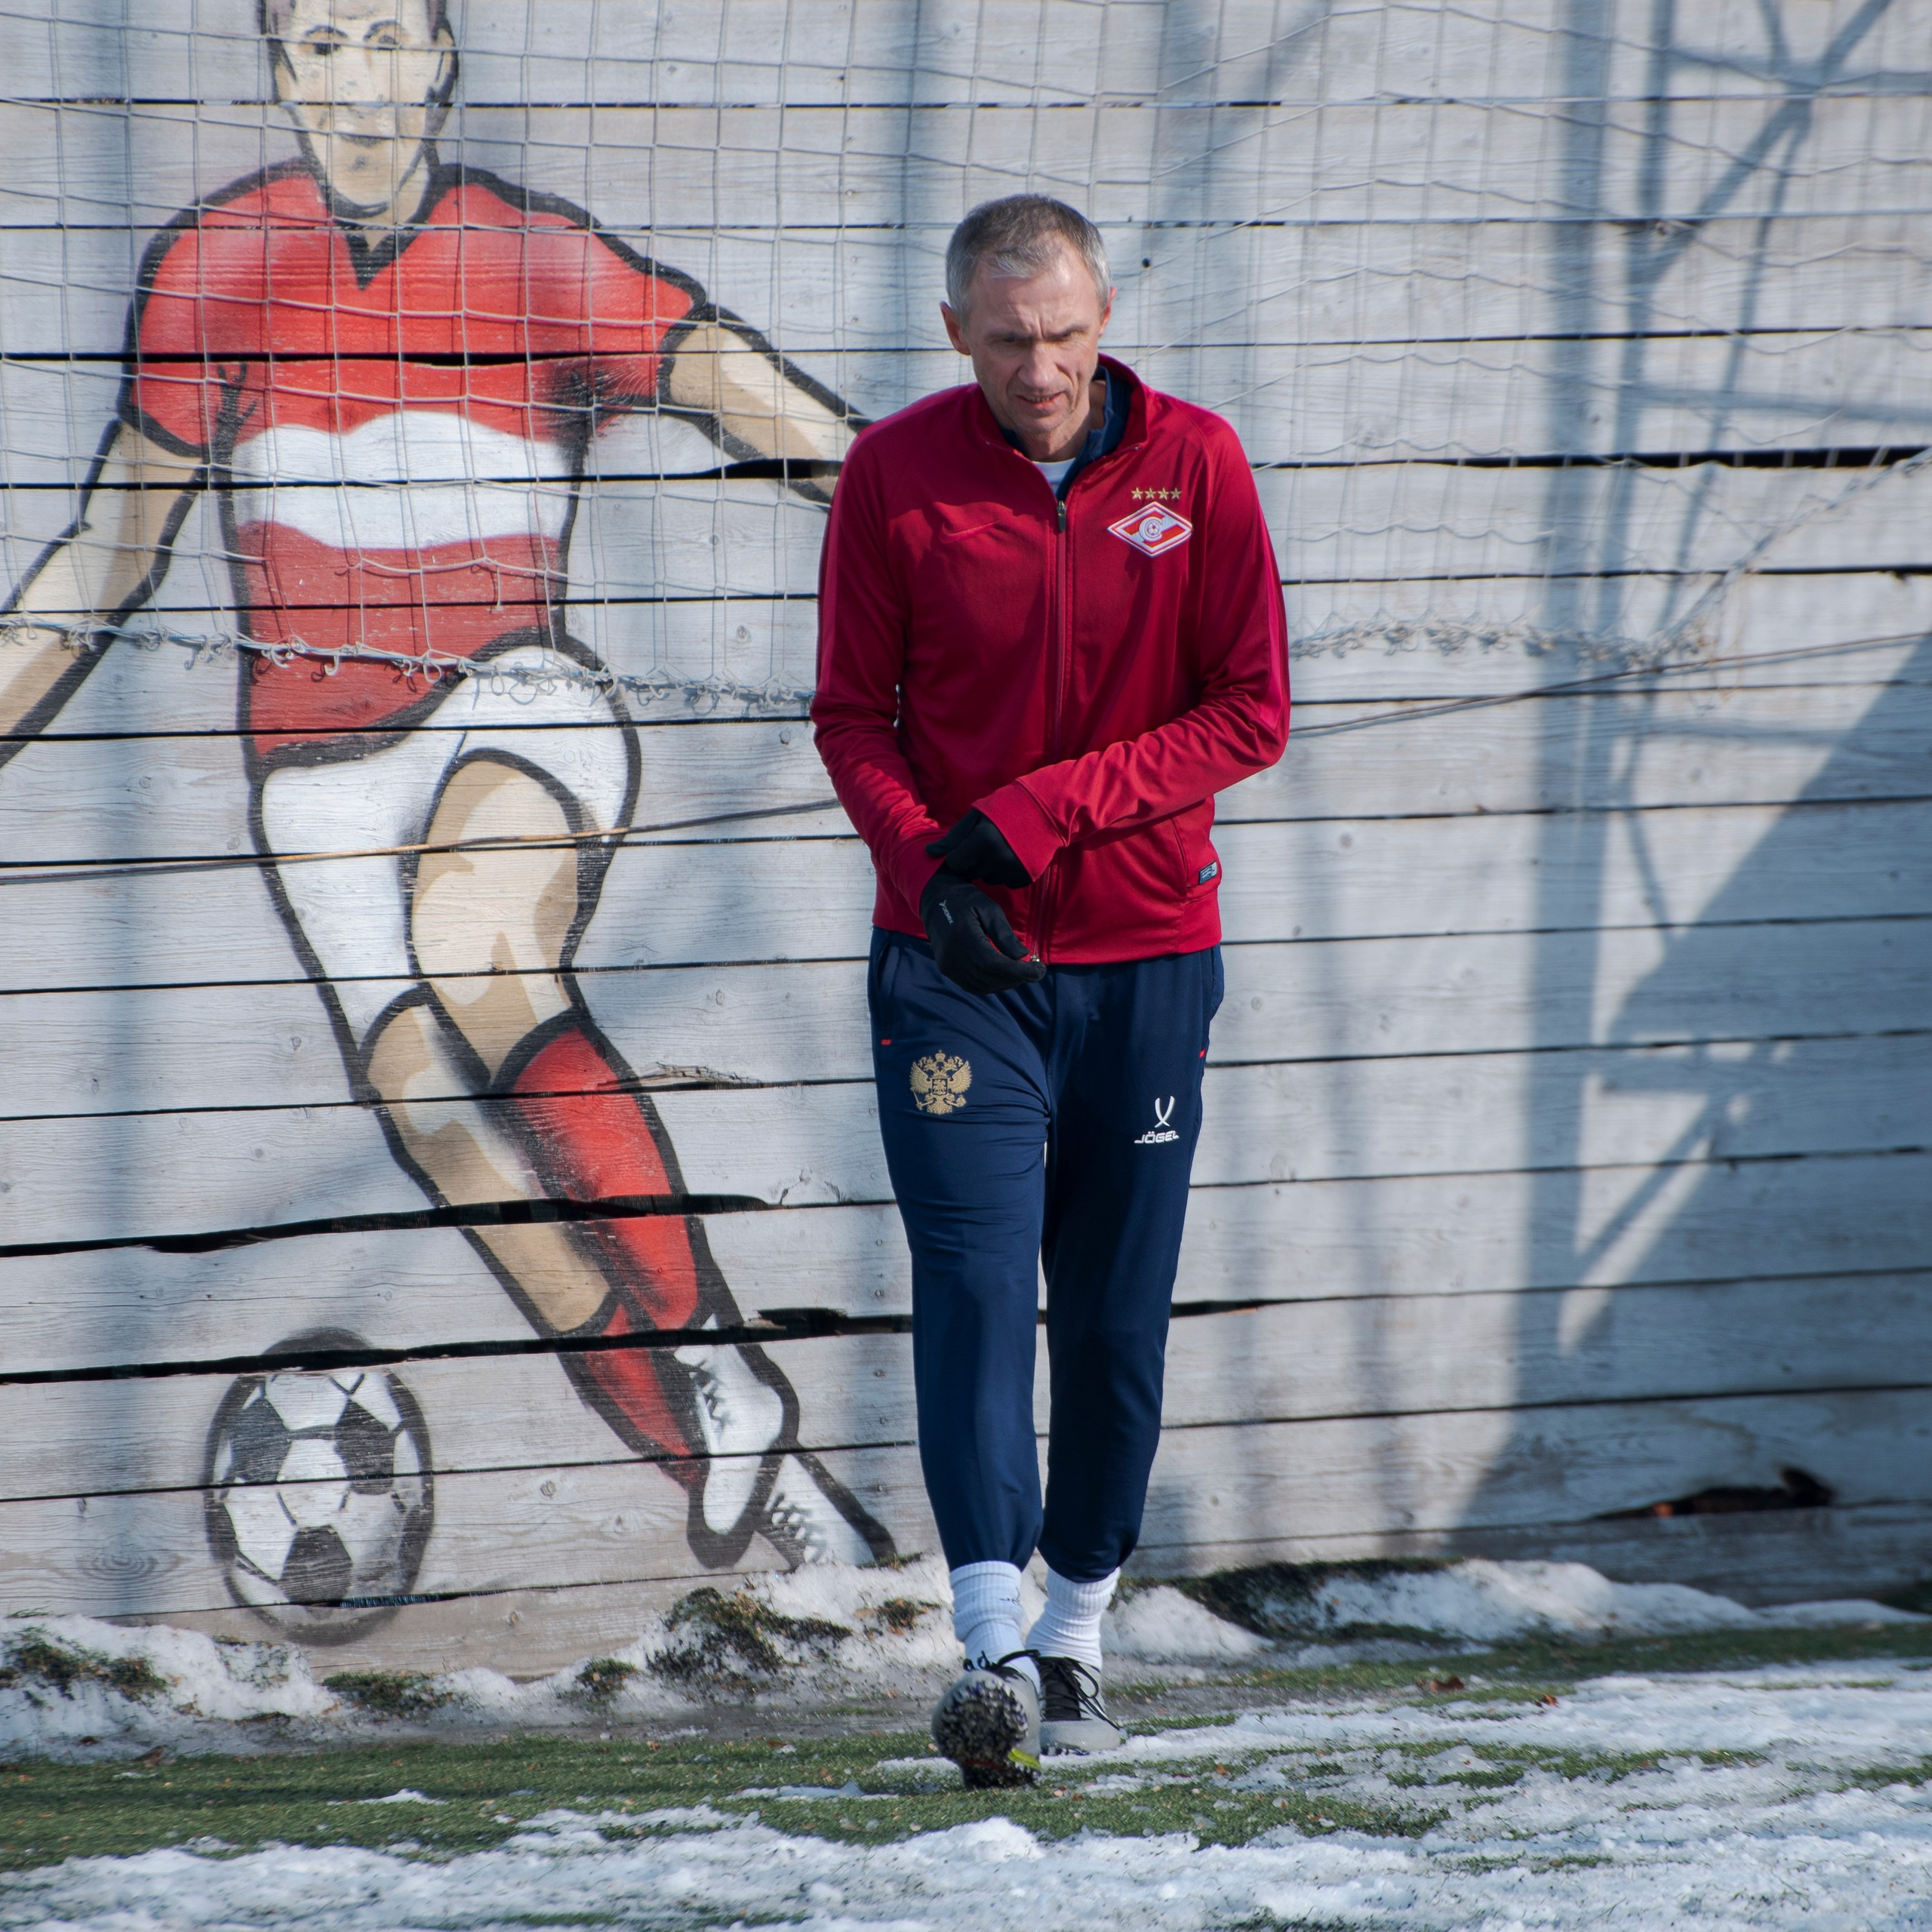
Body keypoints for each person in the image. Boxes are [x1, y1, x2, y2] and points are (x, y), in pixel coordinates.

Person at [0, 0, 891, 1579]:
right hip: (311, 772)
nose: (354, 79)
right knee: (450, 1138)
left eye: (384, 38)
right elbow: (107, 556)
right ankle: (742, 1444)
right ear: (281, 73)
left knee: (486, 961)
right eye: (320, 44)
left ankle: (707, 1355)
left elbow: (741, 395)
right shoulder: (216, 267)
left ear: (439, 63)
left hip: (510, 705)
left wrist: (955, 517)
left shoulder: (534, 255)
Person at [813, 194, 1289, 1782]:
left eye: (1067, 333)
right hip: (955, 969)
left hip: (1146, 959)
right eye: (1009, 340)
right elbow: (849, 717)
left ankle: (1077, 1626)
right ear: (956, 333)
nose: (1041, 367)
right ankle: (989, 1642)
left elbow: (1248, 711)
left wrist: (1029, 816)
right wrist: (927, 873)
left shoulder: (1197, 464)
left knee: (1109, 1316)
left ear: (1104, 315)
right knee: (967, 1284)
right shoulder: (894, 473)